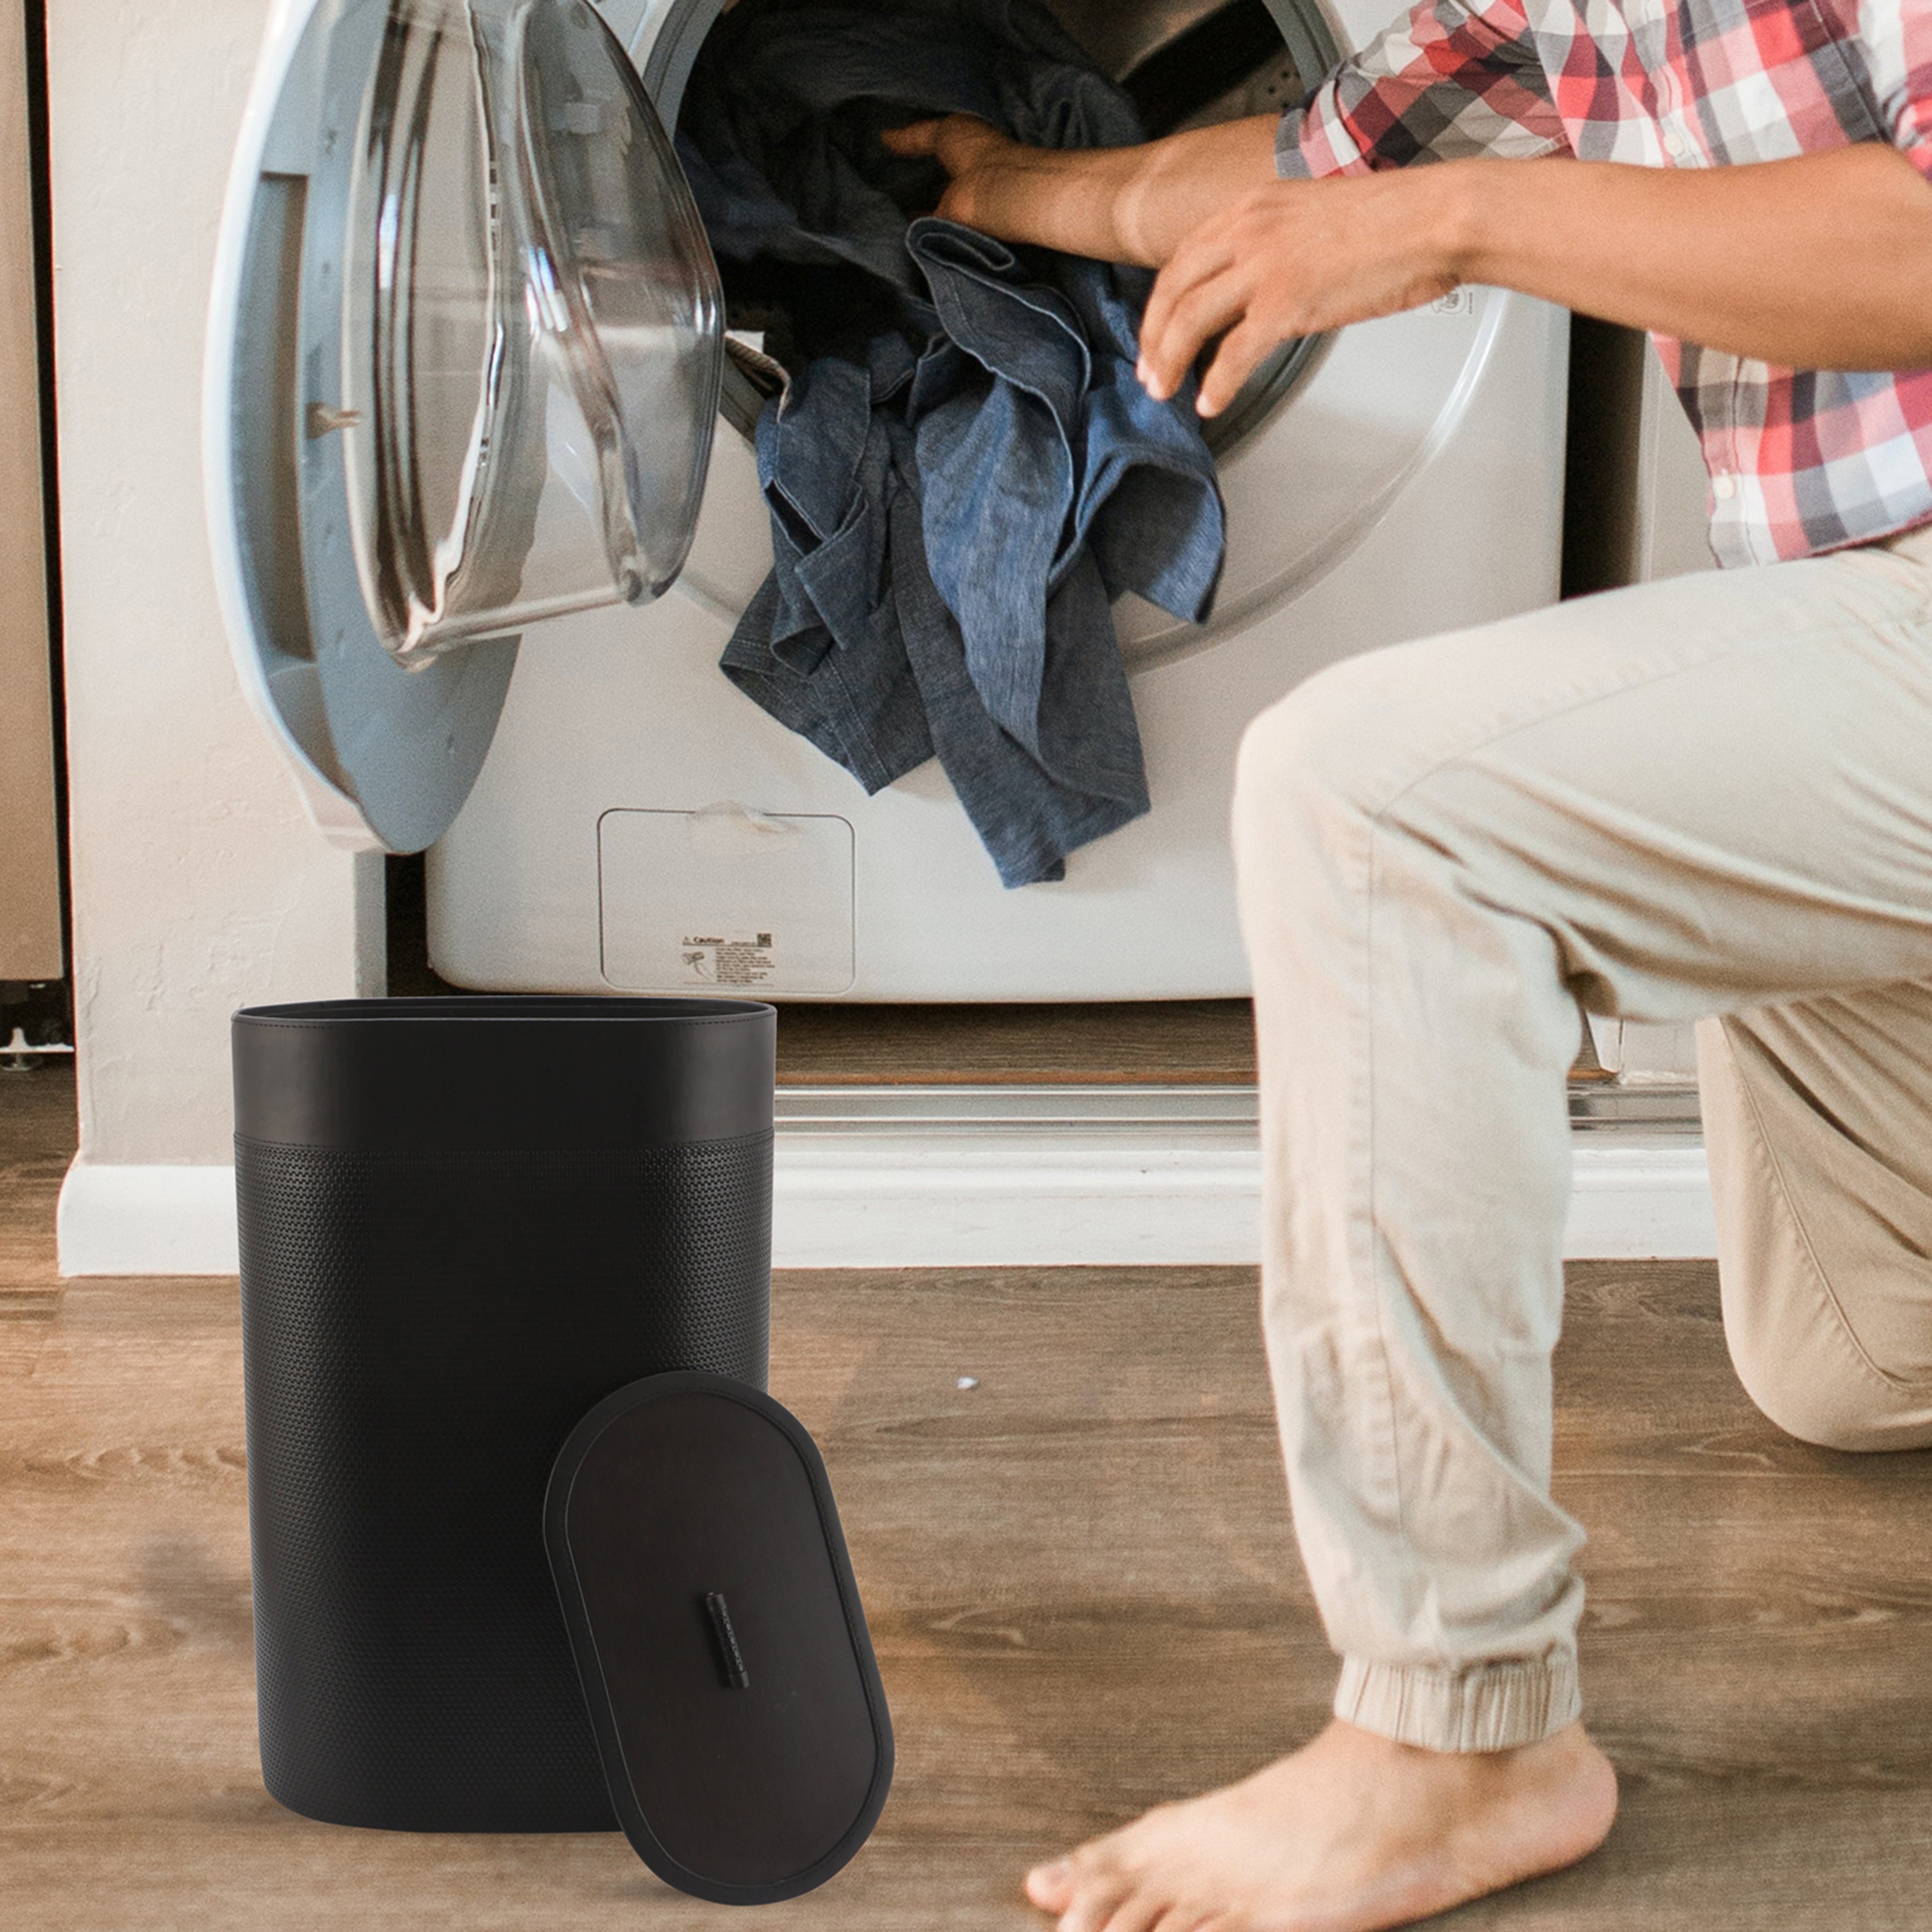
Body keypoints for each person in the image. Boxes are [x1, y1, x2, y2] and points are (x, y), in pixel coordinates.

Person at [885, 4, 1932, 1928]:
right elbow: (1311, 184)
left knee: (1376, 804)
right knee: (1854, 1353)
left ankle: (1458, 1732)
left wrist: (1460, 227)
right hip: (1864, 632)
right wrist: (999, 188)